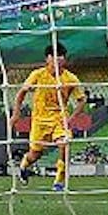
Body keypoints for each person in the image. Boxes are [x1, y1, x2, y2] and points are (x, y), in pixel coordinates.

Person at [13, 46, 84, 191]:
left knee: (65, 144)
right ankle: (24, 164)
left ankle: (59, 180)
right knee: (35, 155)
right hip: (39, 120)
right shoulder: (38, 74)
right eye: (54, 55)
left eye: (61, 56)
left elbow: (82, 100)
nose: (57, 59)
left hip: (59, 119)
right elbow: (21, 93)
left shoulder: (71, 78)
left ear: (65, 59)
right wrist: (16, 114)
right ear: (47, 59)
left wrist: (71, 119)